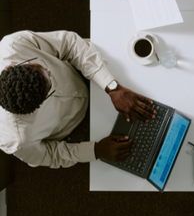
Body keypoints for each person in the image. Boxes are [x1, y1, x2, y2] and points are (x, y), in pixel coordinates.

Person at [0, 30, 155, 168]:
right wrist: (96, 150)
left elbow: (69, 44)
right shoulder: (16, 139)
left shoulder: (13, 46)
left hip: (82, 69)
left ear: (9, 67)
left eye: (40, 67)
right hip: (76, 127)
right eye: (49, 87)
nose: (48, 70)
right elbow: (50, 155)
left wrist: (112, 87)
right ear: (36, 107)